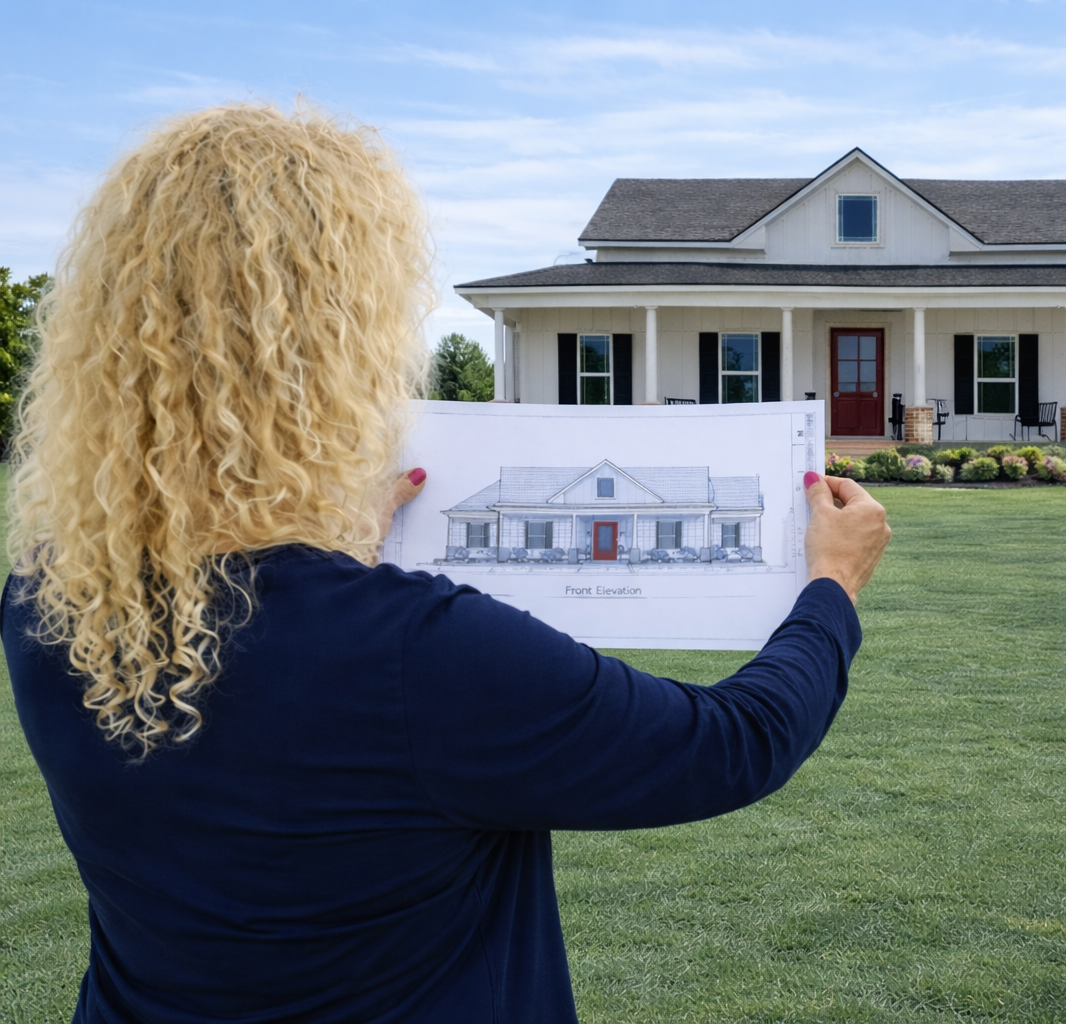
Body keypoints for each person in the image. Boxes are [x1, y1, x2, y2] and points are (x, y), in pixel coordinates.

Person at [3, 104, 889, 1023]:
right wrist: (832, 585)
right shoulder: (420, 654)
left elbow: (256, 708)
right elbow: (728, 745)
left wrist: (329, 549)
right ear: (339, 349)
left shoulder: (45, 598)